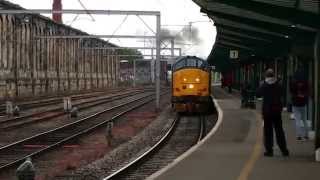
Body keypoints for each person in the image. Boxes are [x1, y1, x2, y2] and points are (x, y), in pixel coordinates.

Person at [256, 69, 289, 157]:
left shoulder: (264, 85)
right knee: (279, 131)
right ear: (273, 75)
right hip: (276, 111)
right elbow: (283, 93)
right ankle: (284, 150)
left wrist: (261, 85)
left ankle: (269, 150)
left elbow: (258, 94)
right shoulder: (278, 85)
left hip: (267, 111)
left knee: (268, 131)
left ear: (266, 76)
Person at [290, 67, 309, 140]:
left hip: (295, 103)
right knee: (304, 119)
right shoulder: (305, 82)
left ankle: (299, 135)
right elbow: (307, 92)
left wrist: (296, 95)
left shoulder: (293, 82)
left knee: (297, 120)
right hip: (303, 103)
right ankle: (306, 135)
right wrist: (303, 96)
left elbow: (291, 92)